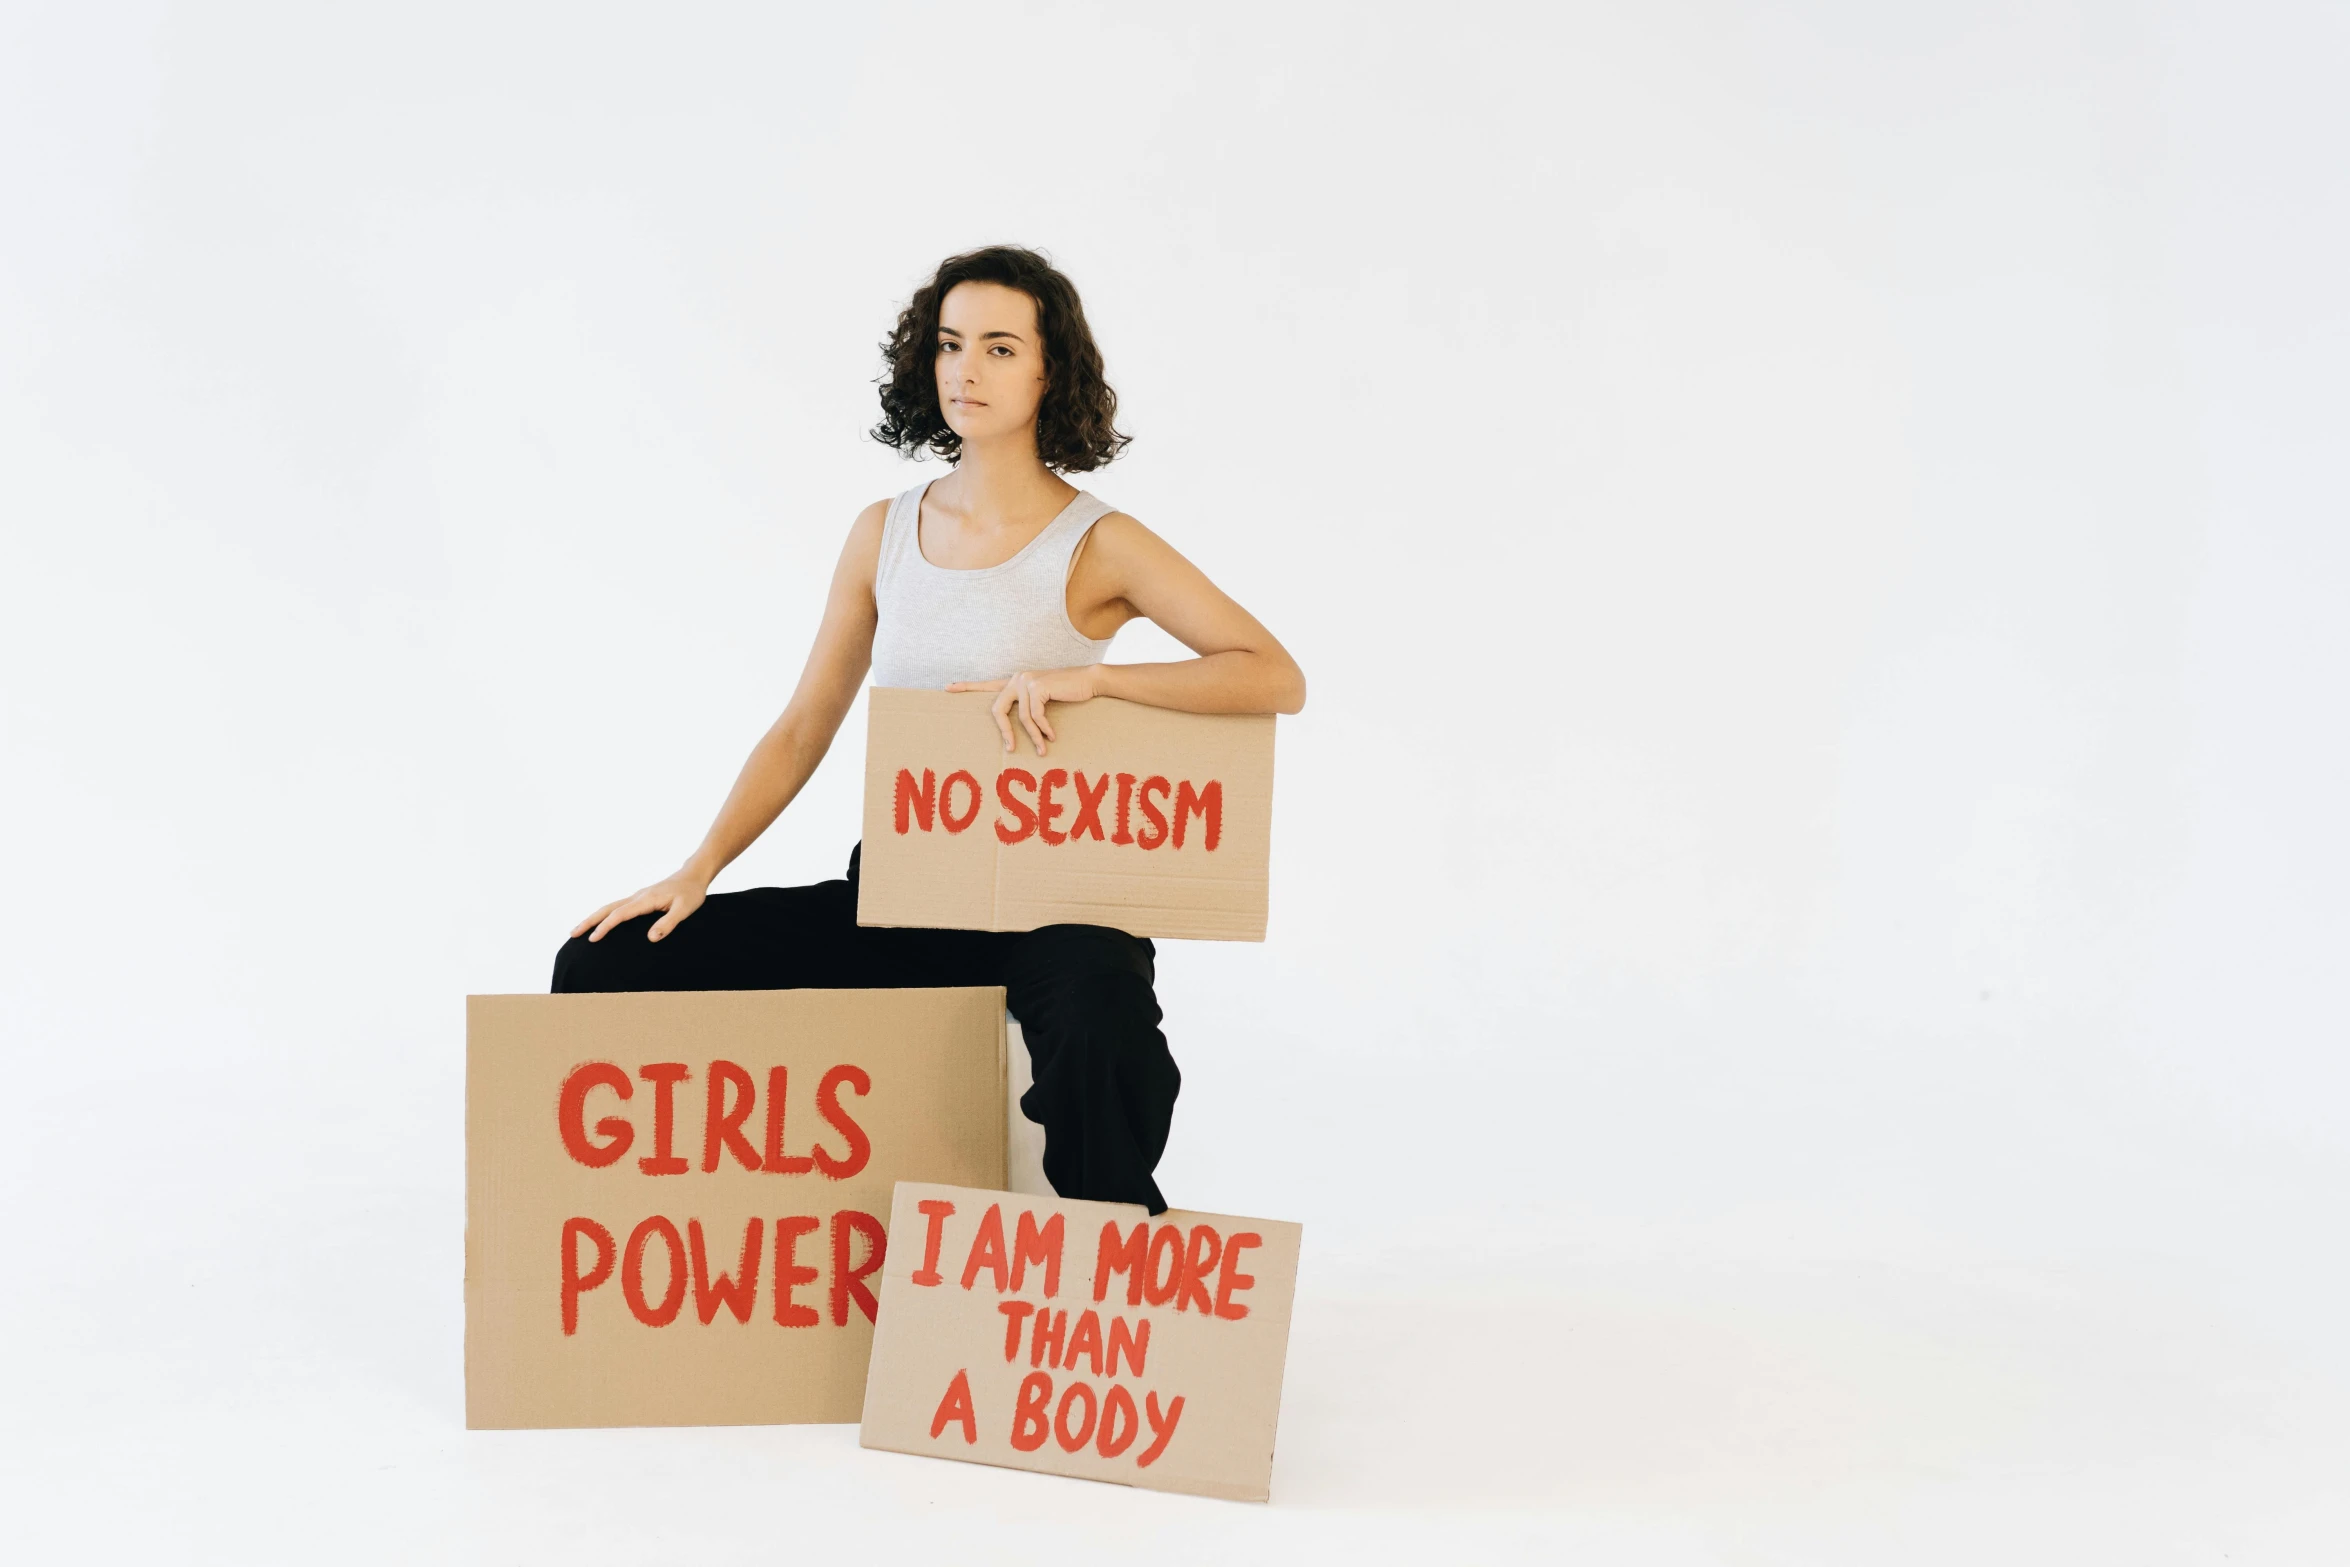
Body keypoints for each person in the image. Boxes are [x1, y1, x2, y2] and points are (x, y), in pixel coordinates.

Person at [551, 246, 1306, 1215]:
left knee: (1101, 1013)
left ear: (1048, 371)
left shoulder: (1100, 542)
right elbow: (802, 727)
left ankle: (1114, 1262)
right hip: (906, 888)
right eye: (951, 345)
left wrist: (1093, 683)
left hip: (1055, 905)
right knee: (603, 962)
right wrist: (697, 870)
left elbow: (1270, 675)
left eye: (998, 348)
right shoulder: (882, 531)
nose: (966, 370)